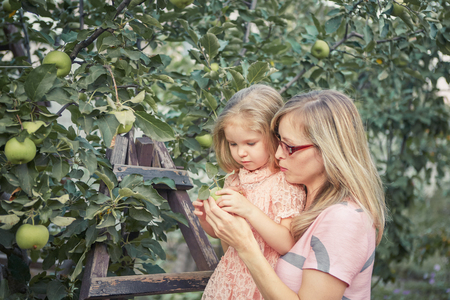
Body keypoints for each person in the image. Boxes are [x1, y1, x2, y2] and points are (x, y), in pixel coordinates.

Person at [202, 90, 387, 300]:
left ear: (327, 150)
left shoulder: (344, 219)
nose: (279, 154)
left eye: (289, 147)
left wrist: (246, 246)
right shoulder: (301, 205)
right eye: (278, 141)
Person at [193, 84, 306, 300]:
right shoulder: (234, 179)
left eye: (250, 143)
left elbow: (287, 243)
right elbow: (226, 239)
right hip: (232, 279)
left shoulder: (283, 180)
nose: (241, 153)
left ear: (275, 137)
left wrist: (249, 210)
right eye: (233, 144)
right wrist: (209, 220)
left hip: (265, 280)